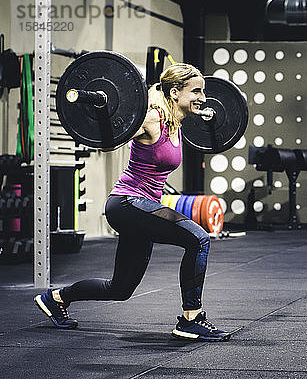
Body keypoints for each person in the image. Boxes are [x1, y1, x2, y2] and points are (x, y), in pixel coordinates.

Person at [34, 63, 230, 341]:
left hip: (141, 209)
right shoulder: (153, 119)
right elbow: (108, 143)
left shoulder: (177, 123)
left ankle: (56, 298)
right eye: (196, 91)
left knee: (120, 289)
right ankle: (191, 319)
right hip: (127, 203)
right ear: (175, 92)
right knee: (198, 238)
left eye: (204, 92)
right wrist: (103, 112)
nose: (203, 97)